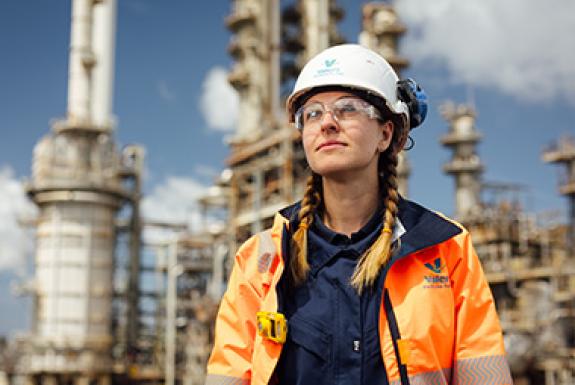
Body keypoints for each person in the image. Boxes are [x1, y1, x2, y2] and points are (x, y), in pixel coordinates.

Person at [204, 44, 512, 385]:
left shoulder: (445, 248)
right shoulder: (260, 260)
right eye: (313, 114)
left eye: (348, 110)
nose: (328, 124)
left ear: (385, 133)